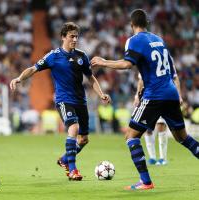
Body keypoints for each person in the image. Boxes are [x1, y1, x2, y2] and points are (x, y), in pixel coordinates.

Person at [91, 9, 199, 190]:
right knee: (183, 138)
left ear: (131, 24)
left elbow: (127, 64)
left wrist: (103, 62)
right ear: (146, 23)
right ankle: (146, 180)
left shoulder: (134, 40)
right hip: (171, 93)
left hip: (154, 95)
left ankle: (146, 182)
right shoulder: (159, 39)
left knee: (131, 137)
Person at [10, 22, 111, 181]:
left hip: (80, 101)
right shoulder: (53, 56)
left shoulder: (81, 56)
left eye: (76, 36)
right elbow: (33, 68)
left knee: (83, 140)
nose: (75, 39)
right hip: (64, 100)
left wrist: (101, 93)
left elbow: (90, 78)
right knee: (74, 127)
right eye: (71, 36)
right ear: (63, 37)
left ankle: (64, 160)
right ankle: (72, 170)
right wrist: (19, 78)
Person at [134, 73, 182, 166]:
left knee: (161, 126)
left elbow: (175, 78)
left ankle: (162, 158)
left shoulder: (167, 60)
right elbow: (141, 80)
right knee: (147, 129)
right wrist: (137, 96)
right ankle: (152, 157)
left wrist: (178, 95)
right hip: (147, 98)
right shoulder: (144, 60)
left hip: (163, 97)